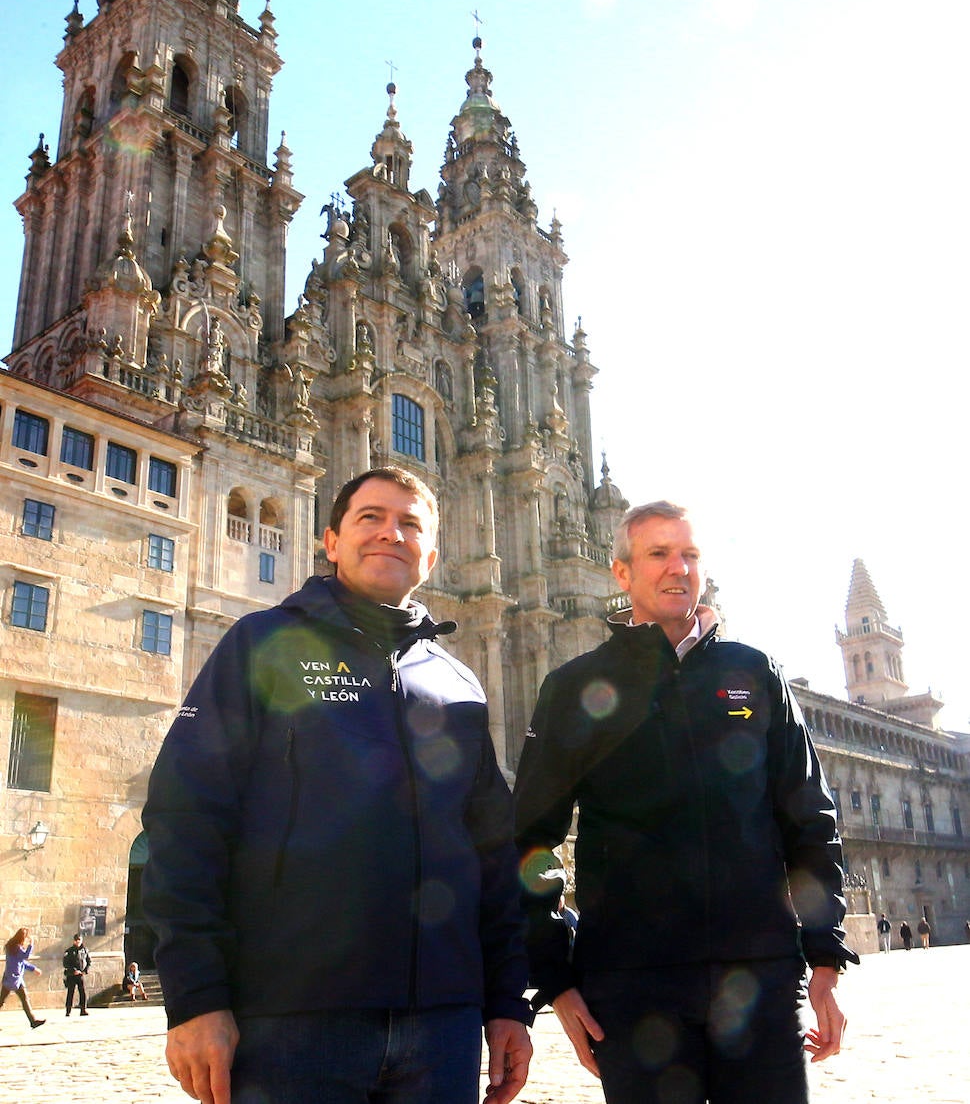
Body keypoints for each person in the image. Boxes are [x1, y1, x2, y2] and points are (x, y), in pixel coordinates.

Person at [143, 467, 532, 1104]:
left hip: (443, 1029)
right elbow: (185, 819)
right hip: (291, 1022)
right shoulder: (261, 644)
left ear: (430, 556)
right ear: (330, 540)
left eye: (410, 524)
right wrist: (195, 998)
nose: (391, 534)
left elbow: (491, 856)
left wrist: (507, 1002)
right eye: (370, 518)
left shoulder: (460, 685)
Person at [514, 500, 858, 1104]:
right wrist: (556, 978)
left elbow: (808, 815)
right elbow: (532, 840)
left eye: (690, 554)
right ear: (622, 573)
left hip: (759, 977)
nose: (679, 568)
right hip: (631, 987)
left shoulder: (755, 673)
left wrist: (824, 949)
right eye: (658, 554)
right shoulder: (574, 686)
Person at [1, 928, 45, 1029]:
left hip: (12, 978)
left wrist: (34, 969)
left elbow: (22, 962)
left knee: (24, 999)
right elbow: (25, 957)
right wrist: (31, 944)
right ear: (22, 938)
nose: (26, 940)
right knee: (2, 1001)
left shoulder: (12, 947)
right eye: (26, 938)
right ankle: (33, 1021)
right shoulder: (16, 948)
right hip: (13, 979)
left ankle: (33, 1021)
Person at [63, 932, 91, 1016]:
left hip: (80, 975)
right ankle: (68, 1011)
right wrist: (73, 970)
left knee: (82, 992)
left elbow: (88, 961)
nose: (78, 941)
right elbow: (66, 963)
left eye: (79, 940)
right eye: (76, 940)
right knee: (70, 992)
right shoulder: (69, 951)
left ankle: (83, 1009)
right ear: (74, 941)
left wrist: (85, 970)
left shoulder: (85, 950)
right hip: (72, 975)